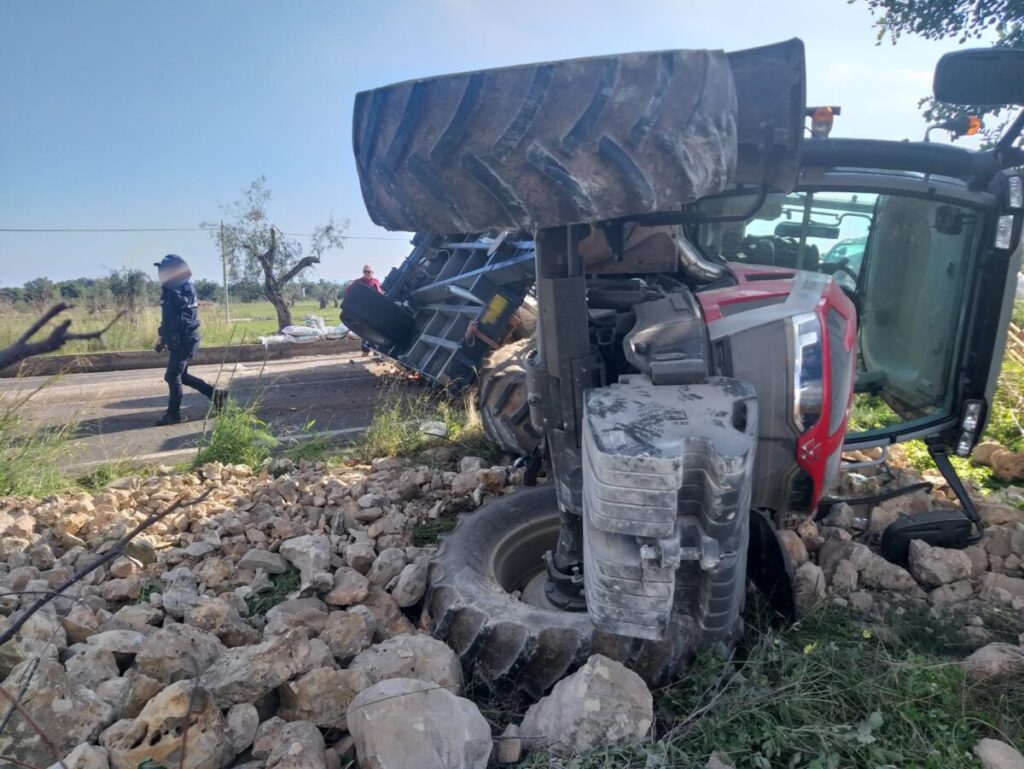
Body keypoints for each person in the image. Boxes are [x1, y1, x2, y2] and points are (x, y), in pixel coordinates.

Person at [153, 254, 227, 425]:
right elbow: (168, 317)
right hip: (177, 339)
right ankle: (216, 395)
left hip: (186, 339)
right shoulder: (169, 289)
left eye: (164, 271)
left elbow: (182, 311)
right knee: (182, 376)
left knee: (172, 376)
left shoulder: (184, 288)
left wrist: (169, 287)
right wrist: (162, 336)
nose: (160, 274)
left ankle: (173, 414)